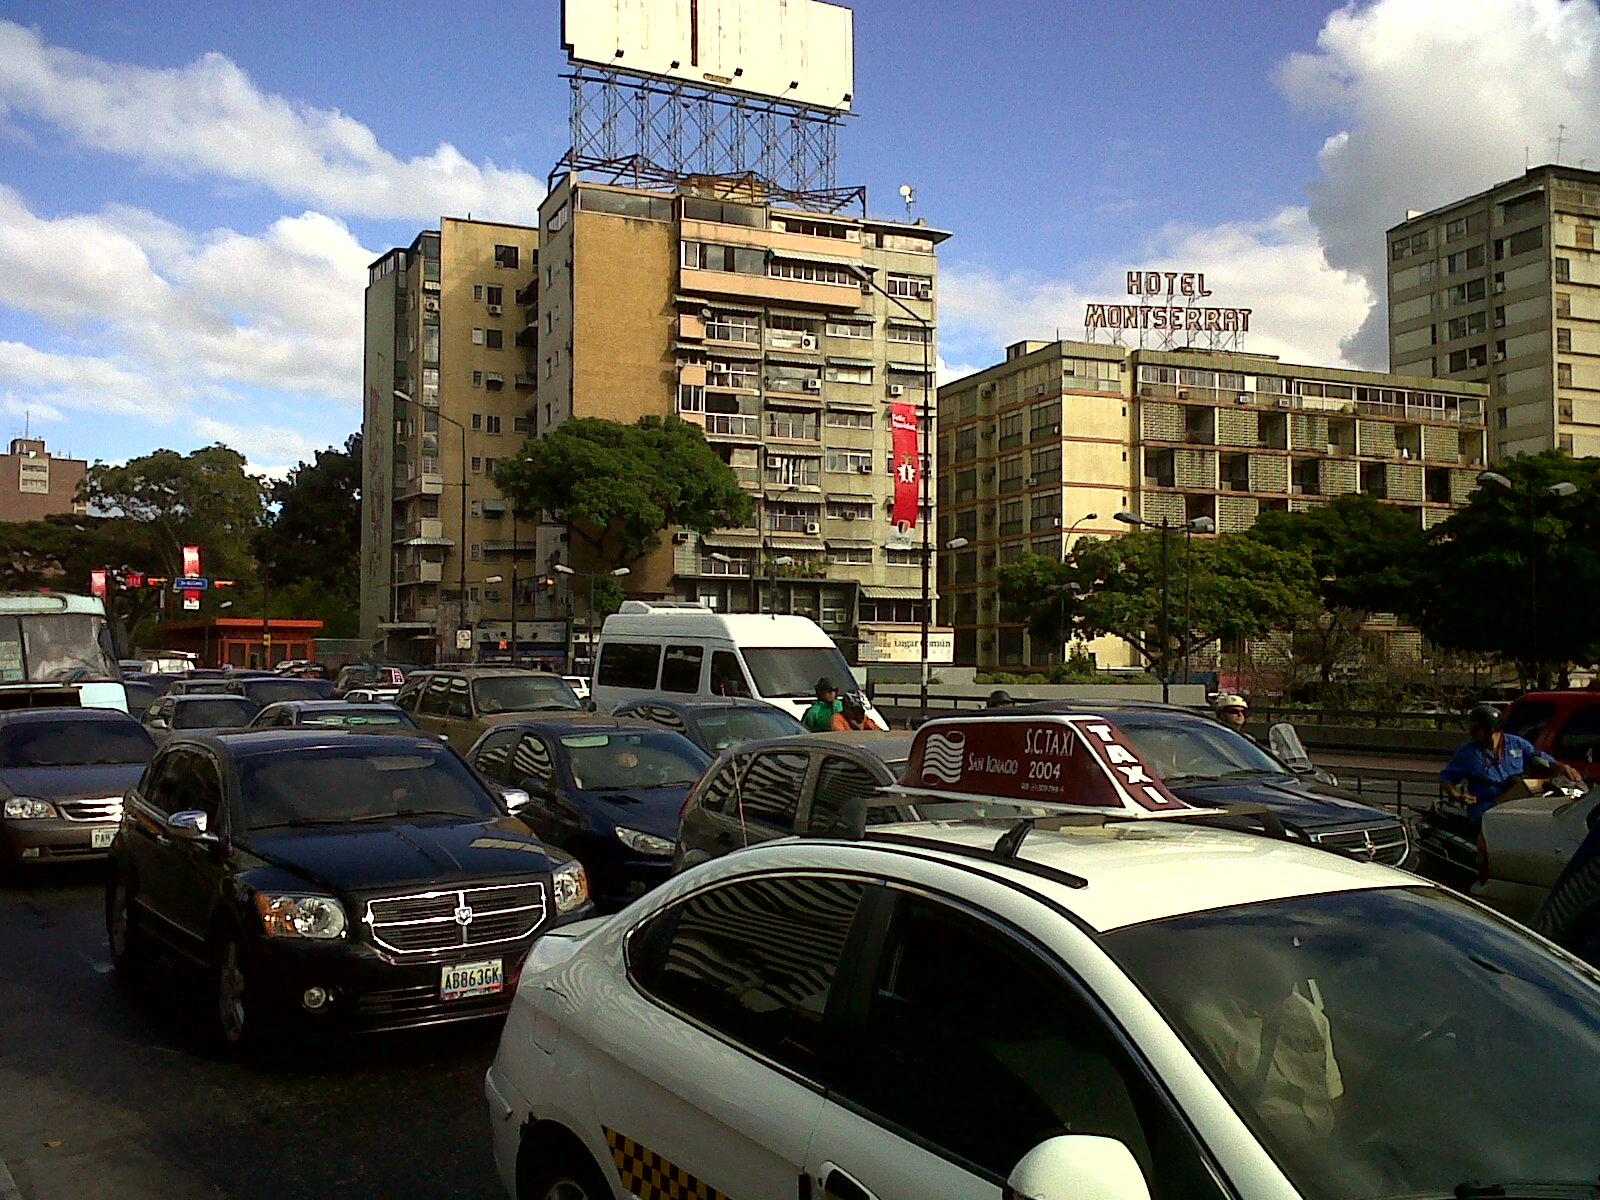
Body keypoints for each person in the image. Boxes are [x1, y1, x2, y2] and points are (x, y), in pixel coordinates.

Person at [1440, 703, 1581, 821]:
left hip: (1516, 808)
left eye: (1476, 728)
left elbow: (1542, 760)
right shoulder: (1467, 752)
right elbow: (1446, 778)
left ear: (1491, 729)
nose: (1471, 732)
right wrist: (1457, 796)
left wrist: (1564, 768)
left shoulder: (1517, 743)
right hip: (1485, 811)